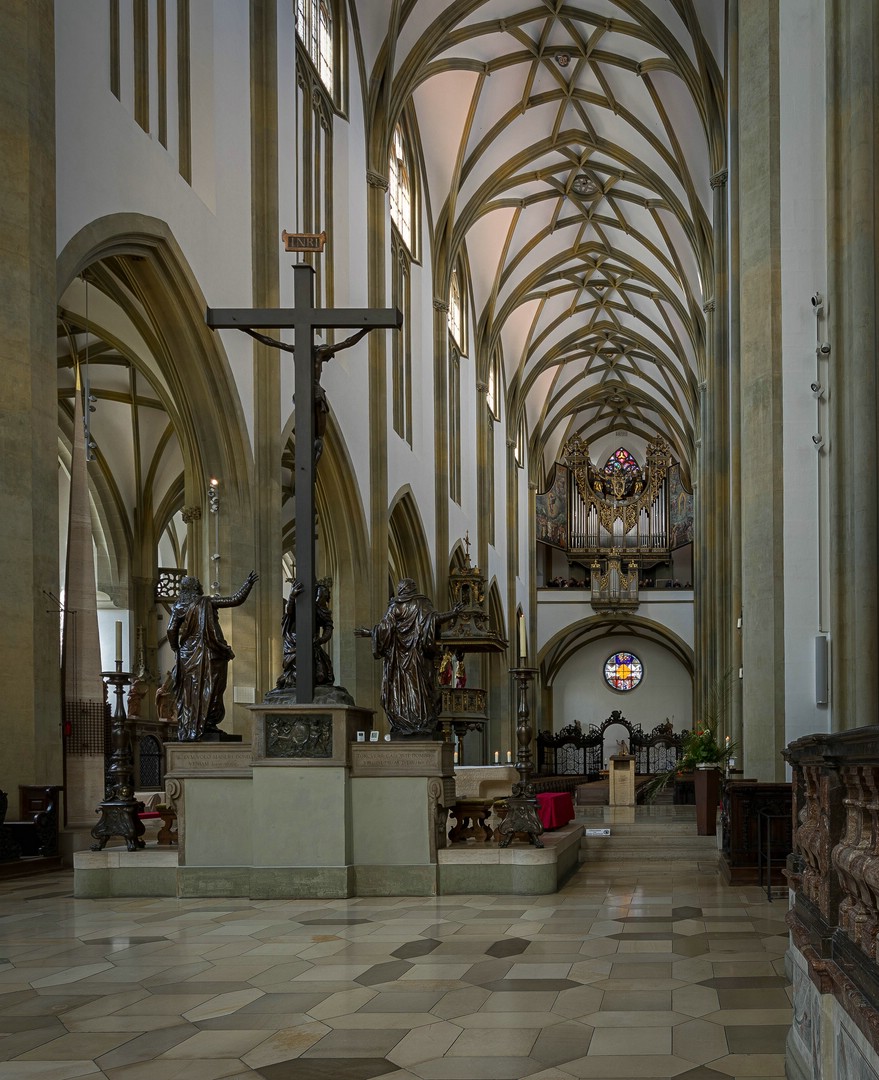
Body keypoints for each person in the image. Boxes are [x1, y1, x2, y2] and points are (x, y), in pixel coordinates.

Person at [355, 578, 460, 738]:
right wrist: (452, 614)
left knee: (402, 691)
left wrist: (370, 632)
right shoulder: (421, 603)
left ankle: (407, 722)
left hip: (399, 661)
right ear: (413, 588)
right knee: (420, 689)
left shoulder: (395, 606)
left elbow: (385, 629)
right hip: (418, 658)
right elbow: (434, 619)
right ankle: (420, 722)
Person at [167, 572, 258, 740]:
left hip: (188, 655)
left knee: (191, 692)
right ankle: (206, 724)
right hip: (210, 652)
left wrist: (176, 649)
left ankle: (192, 727)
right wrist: (248, 584)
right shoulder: (206, 601)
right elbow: (235, 599)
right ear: (197, 588)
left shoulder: (179, 606)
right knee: (213, 688)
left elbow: (171, 629)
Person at [276, 577, 335, 690]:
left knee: (322, 674)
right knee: (296, 673)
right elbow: (289, 611)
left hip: (312, 643)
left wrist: (321, 639)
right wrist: (292, 597)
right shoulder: (297, 595)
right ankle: (287, 680)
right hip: (293, 642)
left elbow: (328, 626)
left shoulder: (319, 600)